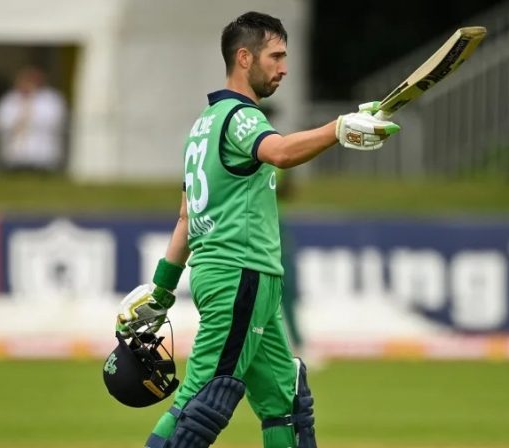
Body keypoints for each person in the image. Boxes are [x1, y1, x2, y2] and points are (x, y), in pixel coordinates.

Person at [115, 11, 399, 448]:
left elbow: (186, 218)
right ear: (244, 58)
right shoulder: (240, 117)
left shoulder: (202, 125)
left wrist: (162, 292)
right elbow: (281, 153)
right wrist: (339, 128)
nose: (284, 68)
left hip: (244, 278)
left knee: (286, 402)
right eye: (276, 56)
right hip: (239, 275)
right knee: (203, 398)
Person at [0, 66, 66, 173]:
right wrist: (17, 120)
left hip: (42, 155)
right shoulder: (10, 99)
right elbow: (0, 122)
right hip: (14, 155)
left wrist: (30, 107)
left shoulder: (50, 99)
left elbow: (54, 120)